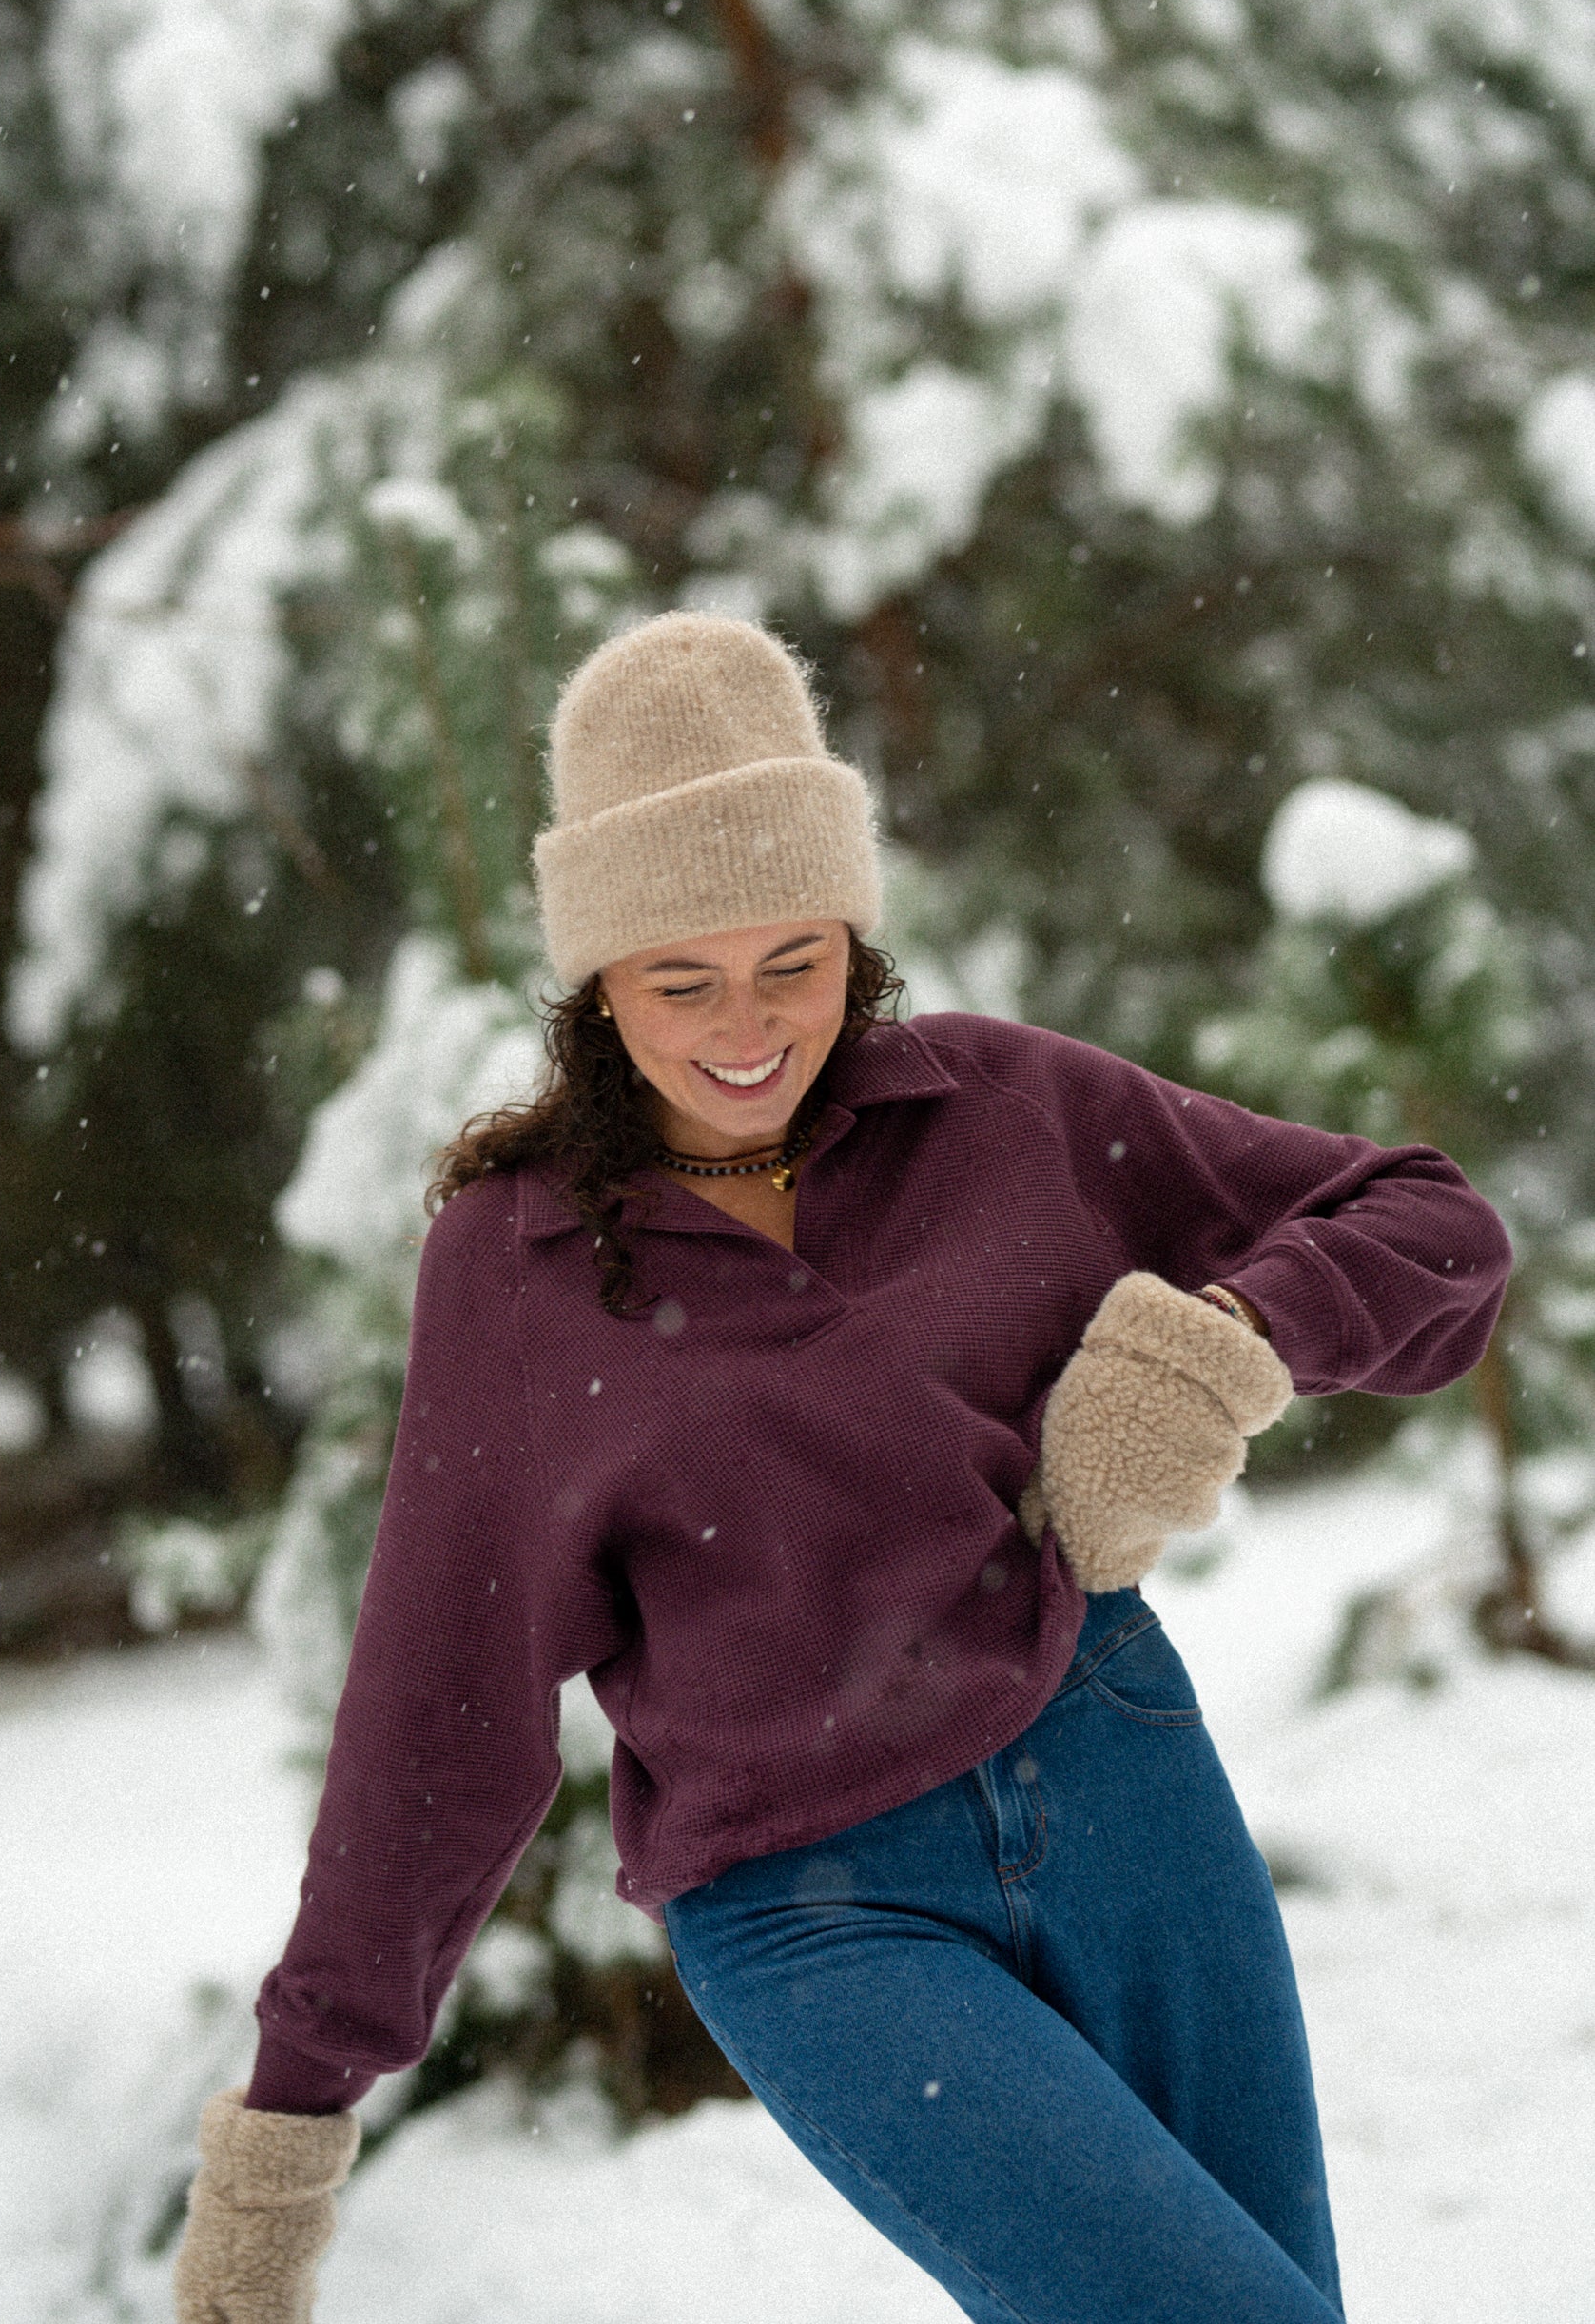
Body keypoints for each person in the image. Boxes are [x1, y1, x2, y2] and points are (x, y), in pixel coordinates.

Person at [174, 612, 1510, 2324]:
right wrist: (294, 2119)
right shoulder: (515, 1272)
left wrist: (1226, 1343)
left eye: (791, 961)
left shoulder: (1000, 1114)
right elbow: (440, 1708)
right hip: (816, 1912)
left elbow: (1435, 1229)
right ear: (595, 984)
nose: (748, 1028)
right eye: (681, 980)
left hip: (1120, 1783)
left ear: (852, 934)